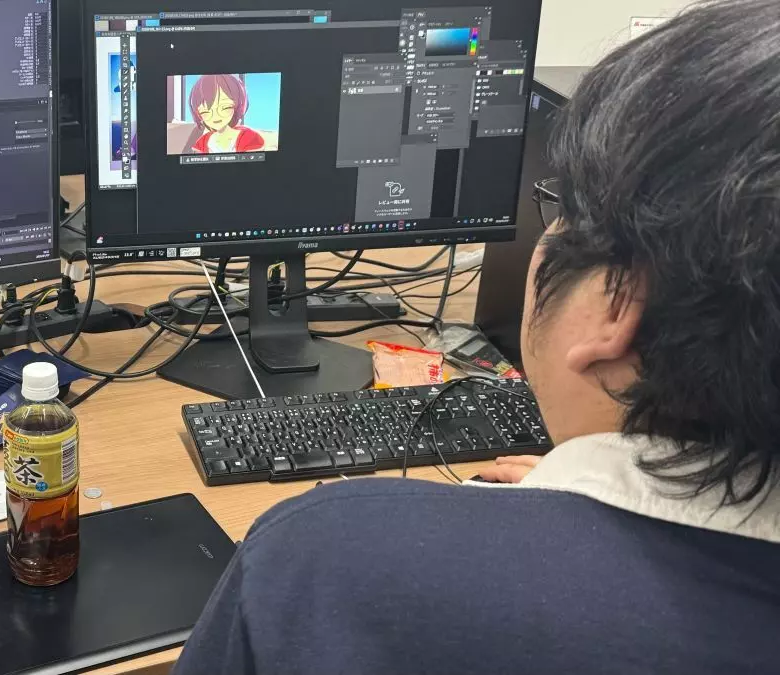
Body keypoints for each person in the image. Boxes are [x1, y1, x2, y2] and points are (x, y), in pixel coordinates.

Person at [172, 1, 780, 672]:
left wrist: (549, 525)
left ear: (617, 304)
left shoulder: (325, 565)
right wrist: (577, 510)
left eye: (561, 208)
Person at [187, 74, 266, 154]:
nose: (215, 116)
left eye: (224, 107)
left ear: (237, 105)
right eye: (205, 112)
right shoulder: (202, 143)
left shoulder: (250, 138)